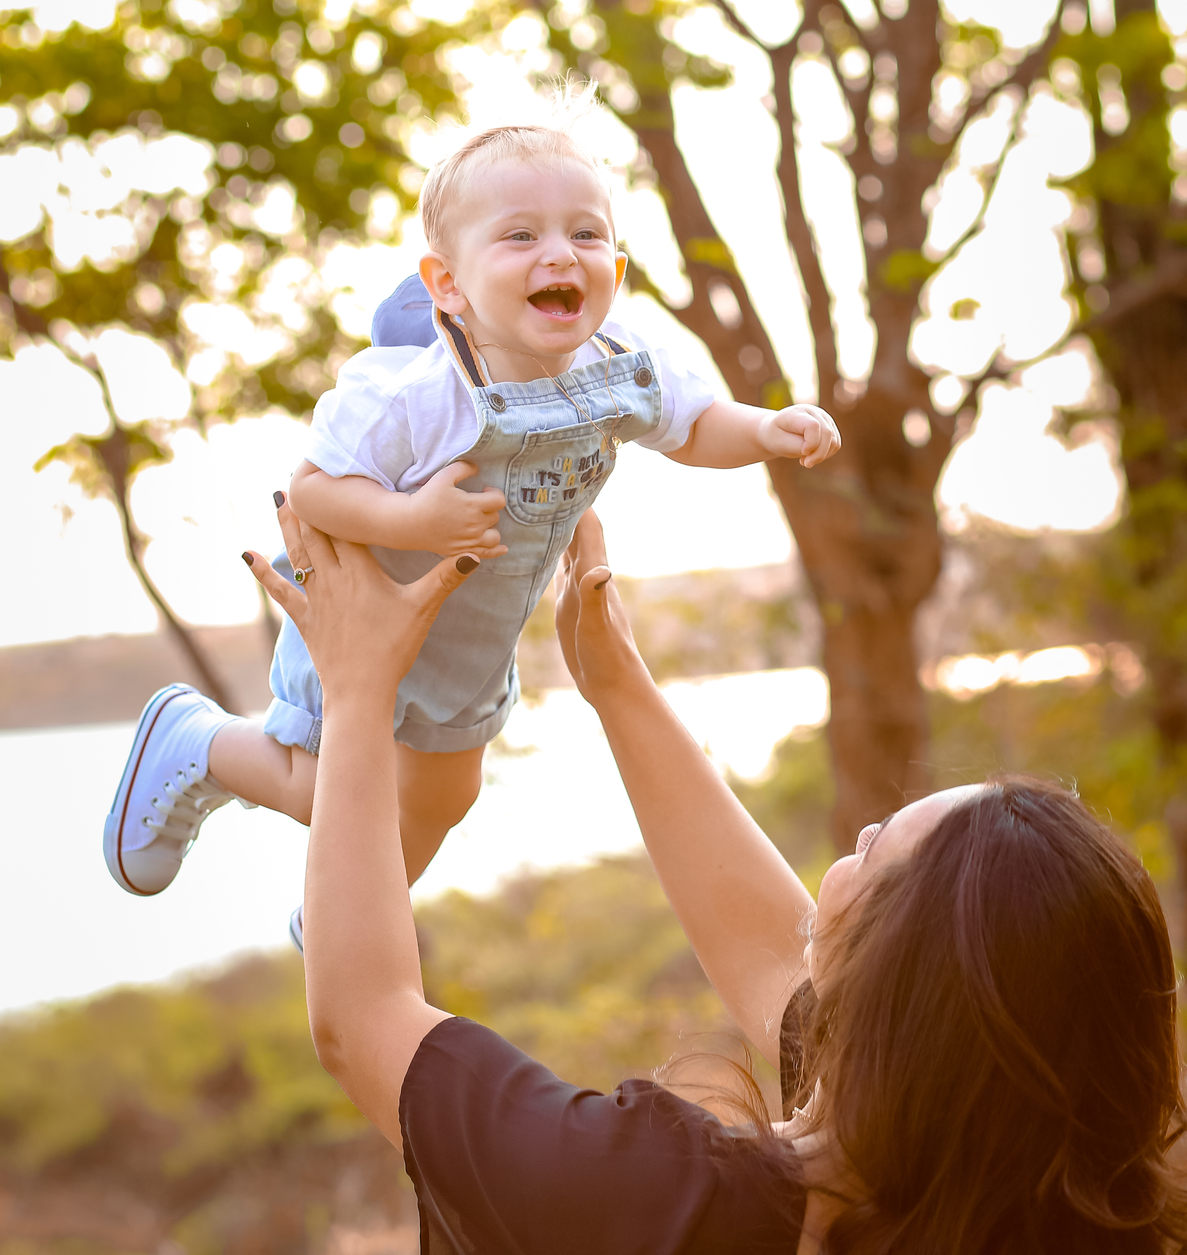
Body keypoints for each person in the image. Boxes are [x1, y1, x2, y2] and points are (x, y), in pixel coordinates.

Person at [237, 500, 1184, 1255]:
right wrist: (616, 683)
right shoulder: (989, 1186)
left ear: (899, 988)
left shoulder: (652, 1200)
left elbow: (363, 1016)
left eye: (876, 848)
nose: (858, 835)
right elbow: (775, 960)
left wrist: (358, 687)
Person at [104, 118, 840, 902]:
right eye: (521, 236)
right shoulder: (420, 390)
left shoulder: (621, 365)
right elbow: (313, 487)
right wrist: (412, 521)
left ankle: (345, 918)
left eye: (585, 234)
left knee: (447, 795)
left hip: (473, 639)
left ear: (615, 269)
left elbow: (691, 425)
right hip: (367, 614)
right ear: (449, 285)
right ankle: (199, 741)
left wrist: (765, 430)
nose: (560, 254)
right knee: (322, 784)